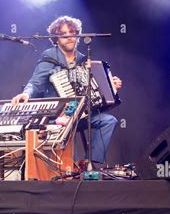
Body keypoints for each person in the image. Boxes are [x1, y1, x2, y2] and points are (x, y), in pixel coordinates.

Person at [11, 15, 122, 168]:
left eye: (73, 32)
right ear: (56, 38)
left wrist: (111, 87)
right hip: (56, 116)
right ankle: (68, 168)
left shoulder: (84, 60)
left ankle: (87, 163)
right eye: (64, 35)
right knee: (67, 131)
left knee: (108, 120)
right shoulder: (50, 57)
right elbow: (35, 83)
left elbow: (95, 90)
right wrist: (27, 93)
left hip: (80, 114)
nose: (70, 37)